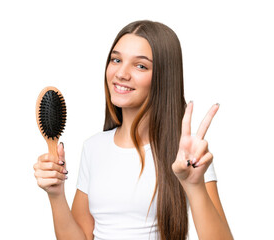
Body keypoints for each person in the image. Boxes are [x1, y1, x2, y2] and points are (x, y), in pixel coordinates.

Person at [33, 20, 233, 240]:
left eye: (140, 65)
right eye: (116, 60)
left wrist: (194, 186)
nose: (121, 73)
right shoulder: (93, 147)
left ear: (163, 77)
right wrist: (56, 195)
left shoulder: (187, 155)